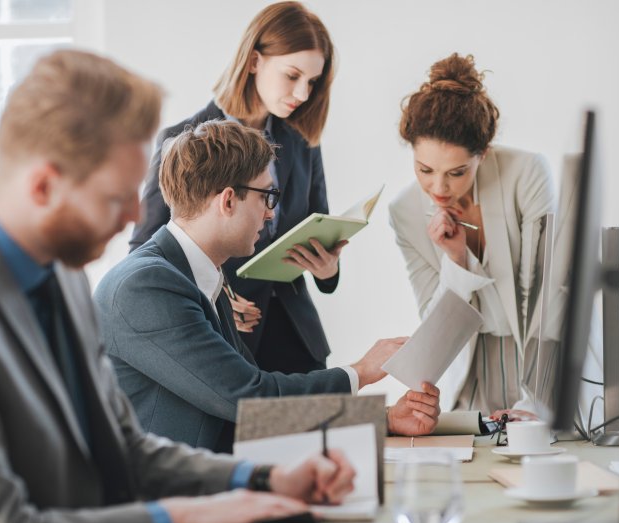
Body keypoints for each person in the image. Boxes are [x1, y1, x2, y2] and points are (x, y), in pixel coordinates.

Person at [0, 49, 359, 523]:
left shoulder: (66, 278)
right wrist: (183, 516)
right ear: (44, 185)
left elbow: (125, 447)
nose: (130, 221)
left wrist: (259, 480)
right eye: (117, 198)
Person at [94, 119, 441, 453]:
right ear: (228, 200)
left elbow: (259, 411)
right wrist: (360, 372)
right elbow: (248, 398)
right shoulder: (146, 286)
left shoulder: (196, 275)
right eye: (267, 196)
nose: (272, 213)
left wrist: (383, 420)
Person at [130, 1, 343, 375]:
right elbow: (145, 257)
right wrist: (216, 297)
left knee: (316, 431)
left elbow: (316, 223)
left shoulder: (302, 140)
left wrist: (328, 270)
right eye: (292, 76)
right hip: (223, 342)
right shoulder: (182, 141)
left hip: (298, 339)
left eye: (312, 82)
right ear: (254, 61)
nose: (303, 93)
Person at [389, 53, 555, 419]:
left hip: (539, 364)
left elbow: (547, 294)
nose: (439, 187)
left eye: (457, 172)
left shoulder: (526, 174)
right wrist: (456, 260)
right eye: (425, 169)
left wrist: (537, 400)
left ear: (483, 154)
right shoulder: (404, 212)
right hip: (469, 374)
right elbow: (435, 326)